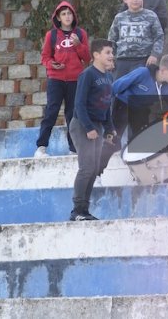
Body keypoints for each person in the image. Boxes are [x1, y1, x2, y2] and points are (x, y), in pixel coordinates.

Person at [68, 38, 116, 221]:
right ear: (96, 55)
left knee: (94, 167)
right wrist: (88, 127)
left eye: (112, 52)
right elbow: (79, 104)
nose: (111, 56)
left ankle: (84, 210)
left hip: (97, 126)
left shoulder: (108, 77)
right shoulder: (87, 75)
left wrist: (109, 129)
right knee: (86, 167)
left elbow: (106, 106)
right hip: (82, 125)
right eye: (107, 52)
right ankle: (77, 210)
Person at [37, 1, 90, 157]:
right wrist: (52, 64)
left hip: (75, 80)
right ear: (58, 18)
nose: (67, 16)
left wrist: (78, 44)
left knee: (73, 115)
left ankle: (73, 149)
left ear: (73, 16)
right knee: (51, 112)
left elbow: (87, 58)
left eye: (70, 13)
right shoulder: (51, 35)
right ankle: (41, 147)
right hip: (56, 79)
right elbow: (45, 57)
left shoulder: (80, 34)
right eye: (64, 14)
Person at [111, 54, 168, 142]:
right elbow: (119, 84)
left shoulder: (167, 87)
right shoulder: (143, 72)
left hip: (140, 109)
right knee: (115, 135)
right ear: (163, 70)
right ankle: (107, 153)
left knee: (141, 137)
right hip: (124, 104)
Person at [107, 0, 165, 78]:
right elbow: (111, 40)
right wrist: (110, 58)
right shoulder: (119, 17)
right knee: (119, 90)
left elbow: (159, 37)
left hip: (143, 61)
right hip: (122, 62)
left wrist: (154, 55)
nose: (135, 0)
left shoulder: (151, 16)